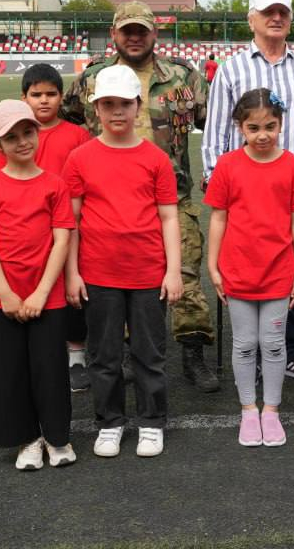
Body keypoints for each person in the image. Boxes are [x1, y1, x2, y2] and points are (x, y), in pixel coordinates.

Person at [62, 1, 217, 393]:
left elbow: (213, 124)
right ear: (114, 33)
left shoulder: (182, 75)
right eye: (127, 31)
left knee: (185, 277)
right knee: (123, 280)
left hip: (173, 199)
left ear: (154, 34)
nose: (134, 37)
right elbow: (66, 120)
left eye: (141, 31)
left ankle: (193, 353)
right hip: (110, 201)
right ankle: (130, 353)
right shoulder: (93, 77)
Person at [202, 0, 294, 384]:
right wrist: (217, 183)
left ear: (290, 20)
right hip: (245, 181)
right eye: (268, 12)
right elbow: (215, 134)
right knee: (248, 259)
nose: (276, 18)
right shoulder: (232, 70)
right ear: (252, 19)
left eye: (282, 12)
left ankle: (289, 349)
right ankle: (252, 349)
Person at [64, 66, 182, 459]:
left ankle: (151, 422)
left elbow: (169, 217)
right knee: (104, 355)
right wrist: (72, 272)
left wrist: (173, 270)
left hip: (148, 272)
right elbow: (71, 220)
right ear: (96, 108)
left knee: (149, 354)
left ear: (138, 106)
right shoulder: (79, 158)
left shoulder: (155, 159)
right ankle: (109, 422)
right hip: (99, 273)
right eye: (108, 104)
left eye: (125, 104)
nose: (117, 111)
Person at [0, 100, 76, 470]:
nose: (22, 142)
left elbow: (61, 240)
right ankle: (27, 440)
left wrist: (42, 292)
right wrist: (6, 294)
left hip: (48, 296)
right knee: (9, 371)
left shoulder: (55, 185)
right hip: (2, 298)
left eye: (28, 132)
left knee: (51, 369)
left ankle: (58, 437)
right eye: (11, 137)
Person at [204, 89, 294, 448]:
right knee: (245, 343)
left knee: (274, 344)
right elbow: (218, 217)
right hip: (237, 270)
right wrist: (213, 264)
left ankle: (271, 410)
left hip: (279, 272)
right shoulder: (228, 165)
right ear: (240, 128)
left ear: (281, 125)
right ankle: (248, 409)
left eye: (270, 127)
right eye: (253, 128)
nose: (262, 135)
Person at [0, 64, 94, 391]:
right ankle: (34, 348)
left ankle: (76, 353)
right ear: (24, 97)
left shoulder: (77, 135)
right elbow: (1, 179)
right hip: (26, 227)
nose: (44, 100)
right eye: (36, 95)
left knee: (71, 287)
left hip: (67, 225)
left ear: (62, 97)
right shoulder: (10, 138)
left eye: (51, 94)